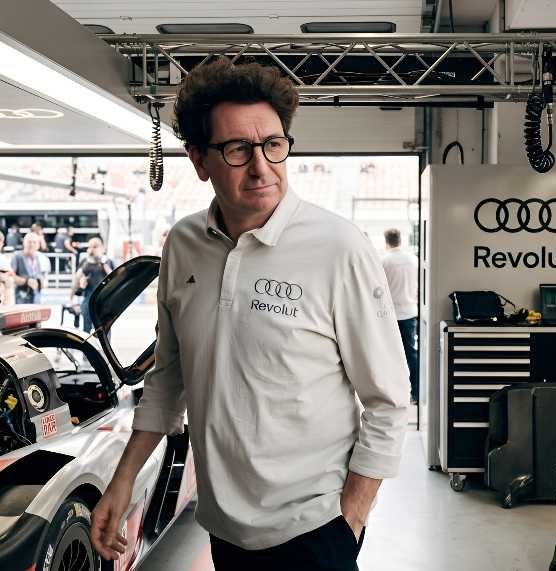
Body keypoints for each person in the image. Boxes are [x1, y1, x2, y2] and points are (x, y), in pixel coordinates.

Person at [90, 58, 410, 571]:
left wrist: (350, 517)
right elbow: (169, 379)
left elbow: (388, 399)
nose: (262, 167)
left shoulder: (338, 246)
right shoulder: (184, 245)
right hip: (223, 526)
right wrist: (122, 479)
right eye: (238, 149)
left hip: (315, 527)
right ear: (199, 160)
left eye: (273, 144)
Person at [381, 228, 419, 403]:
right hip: (410, 312)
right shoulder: (413, 260)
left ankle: (393, 393)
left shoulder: (384, 261)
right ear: (400, 240)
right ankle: (415, 393)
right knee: (411, 353)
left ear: (386, 241)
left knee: (390, 354)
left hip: (390, 314)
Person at [74, 237, 114, 332]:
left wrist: (104, 264)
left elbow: (114, 276)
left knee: (104, 330)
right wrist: (81, 281)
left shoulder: (107, 261)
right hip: (88, 299)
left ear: (101, 247)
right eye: (90, 246)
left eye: (95, 246)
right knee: (86, 329)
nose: (92, 249)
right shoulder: (85, 261)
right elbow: (77, 277)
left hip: (104, 300)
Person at [9, 233, 45, 304]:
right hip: (21, 296)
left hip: (36, 297)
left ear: (38, 245)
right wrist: (26, 281)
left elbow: (44, 276)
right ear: (24, 243)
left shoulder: (40, 258)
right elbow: (11, 276)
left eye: (34, 242)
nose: (31, 244)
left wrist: (41, 281)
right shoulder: (16, 256)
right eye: (29, 242)